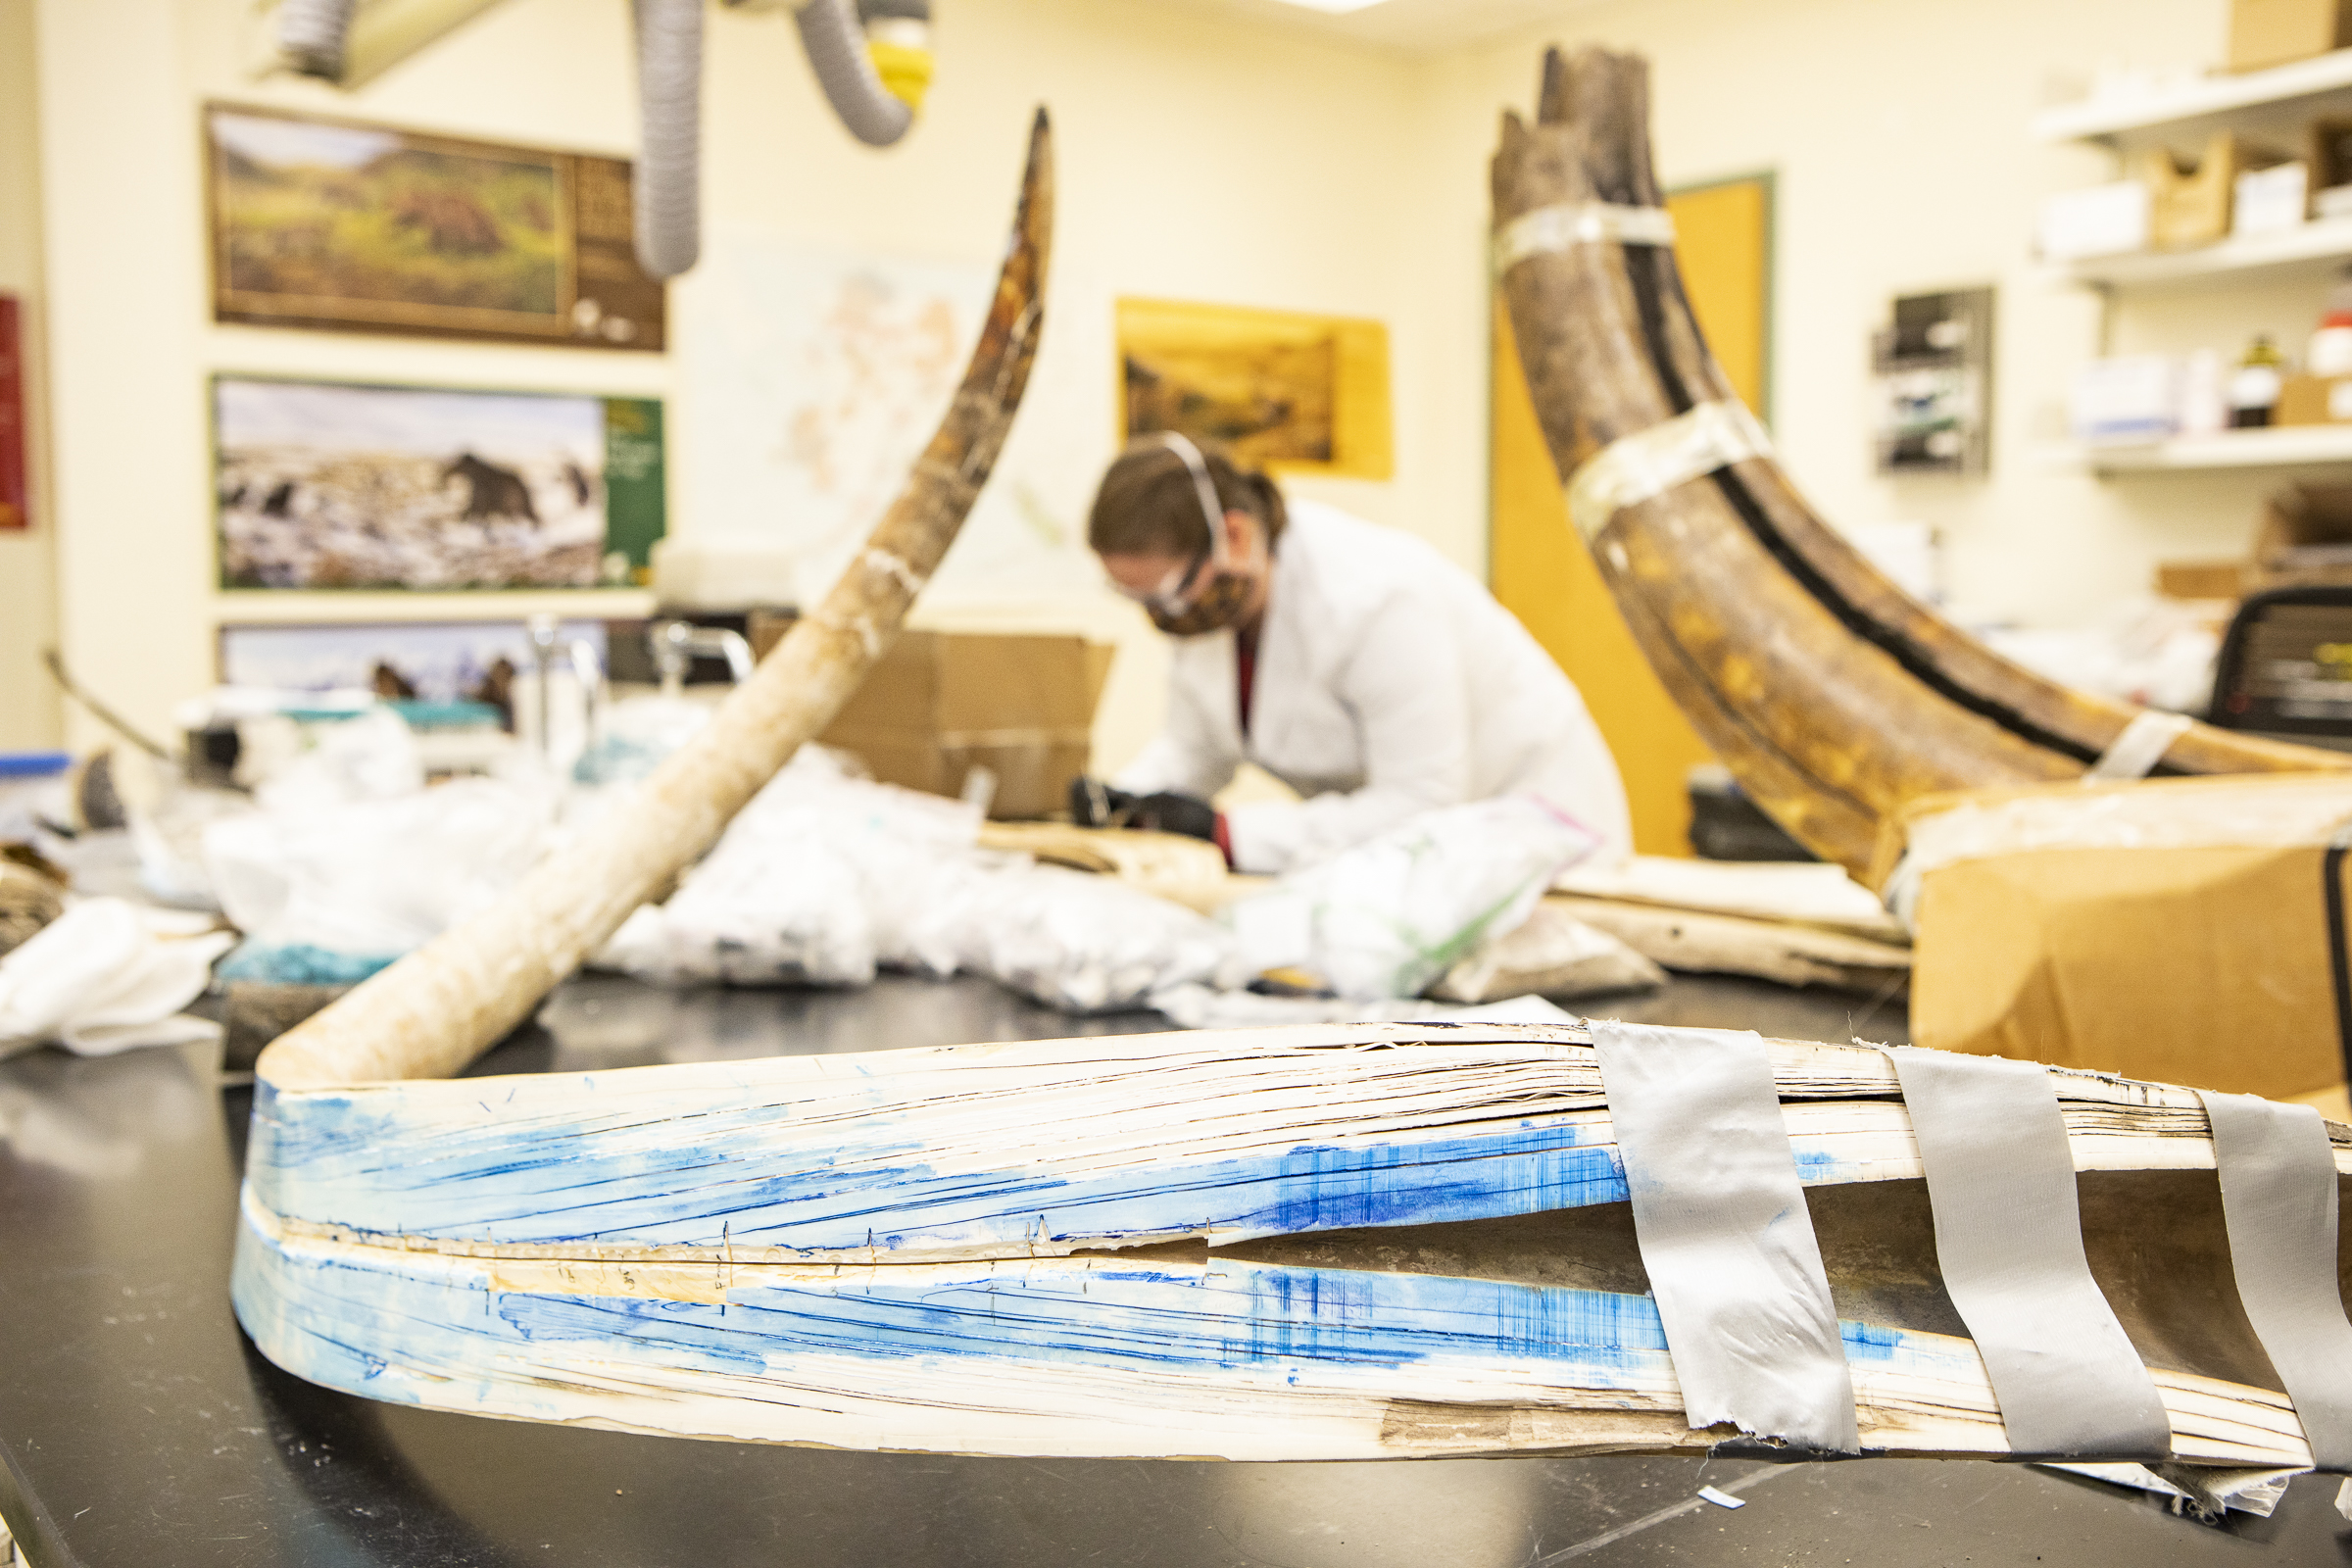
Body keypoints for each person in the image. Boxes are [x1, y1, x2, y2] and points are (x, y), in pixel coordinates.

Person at [1073, 432, 1631, 876]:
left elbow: (1420, 804)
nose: (1160, 616)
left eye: (1164, 592)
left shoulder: (1374, 600)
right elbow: (1197, 749)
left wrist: (1227, 834)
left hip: (1535, 833)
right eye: (1132, 597)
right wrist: (1125, 801)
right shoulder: (1215, 605)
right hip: (1415, 864)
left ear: (1235, 539)